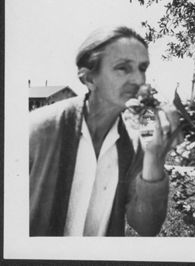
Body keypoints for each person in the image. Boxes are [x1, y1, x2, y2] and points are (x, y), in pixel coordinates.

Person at [29, 26, 179, 237]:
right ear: (89, 79)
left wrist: (154, 159)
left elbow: (147, 227)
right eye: (123, 68)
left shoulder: (133, 146)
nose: (139, 80)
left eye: (142, 68)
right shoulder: (37, 130)